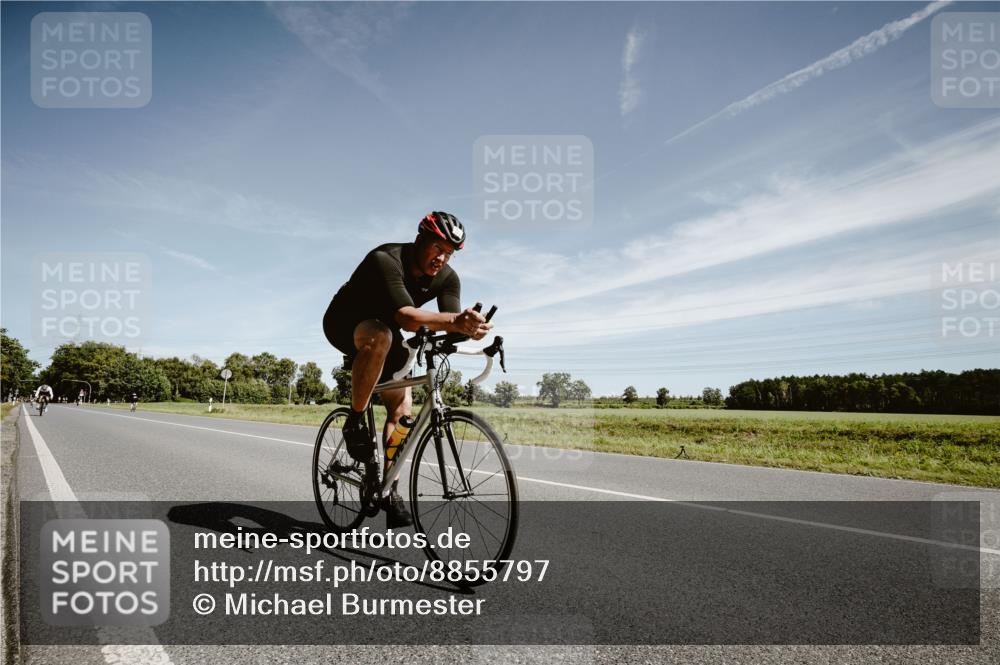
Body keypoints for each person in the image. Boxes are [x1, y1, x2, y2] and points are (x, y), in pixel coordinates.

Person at [323, 211, 491, 527]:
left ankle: (389, 488)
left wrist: (473, 330)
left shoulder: (448, 278)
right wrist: (457, 322)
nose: (442, 258)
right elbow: (407, 318)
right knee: (382, 335)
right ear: (420, 240)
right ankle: (355, 421)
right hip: (344, 321)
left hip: (387, 332)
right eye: (437, 248)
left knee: (402, 408)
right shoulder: (385, 259)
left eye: (450, 252)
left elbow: (450, 323)